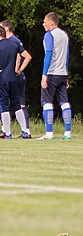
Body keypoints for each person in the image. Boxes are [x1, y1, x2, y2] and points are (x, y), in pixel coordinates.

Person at [0, 25, 32, 139]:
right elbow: (28, 57)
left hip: (2, 78)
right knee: (17, 105)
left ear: (0, 34)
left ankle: (8, 133)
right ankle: (24, 131)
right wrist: (20, 70)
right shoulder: (14, 43)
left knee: (4, 106)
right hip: (13, 78)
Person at [37, 12, 72, 140]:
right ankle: (67, 133)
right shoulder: (64, 35)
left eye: (45, 21)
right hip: (62, 73)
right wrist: (66, 73)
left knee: (46, 102)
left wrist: (44, 74)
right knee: (64, 102)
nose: (43, 24)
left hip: (51, 73)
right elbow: (67, 56)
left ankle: (49, 133)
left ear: (51, 22)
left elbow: (49, 54)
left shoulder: (49, 35)